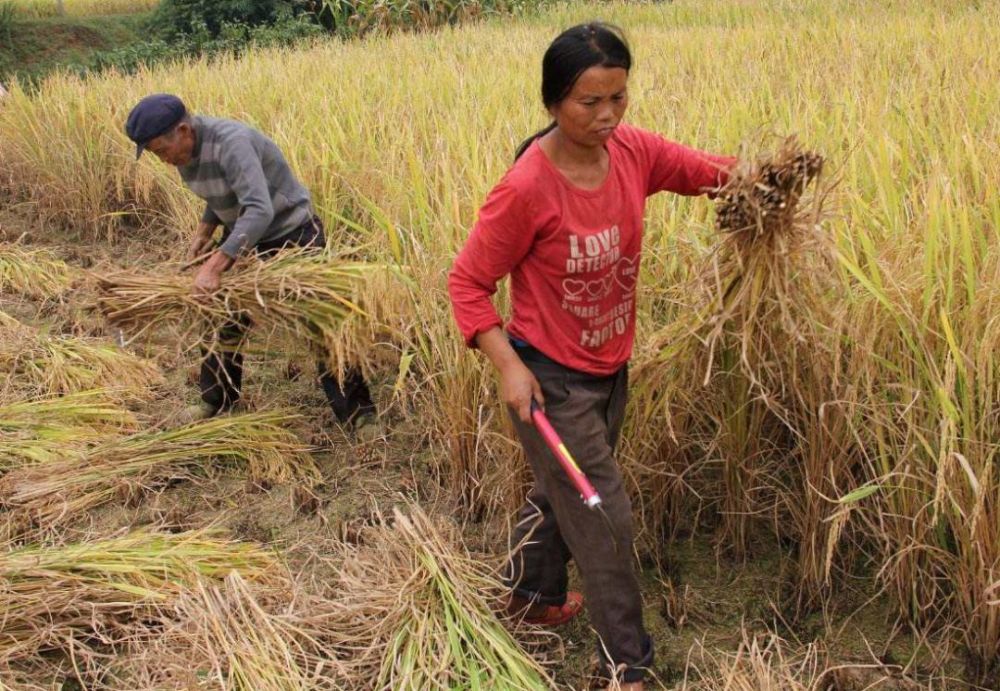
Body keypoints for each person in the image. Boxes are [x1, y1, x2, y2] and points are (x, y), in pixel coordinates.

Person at [448, 23, 736, 689]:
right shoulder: (526, 188)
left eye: (618, 98)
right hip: (550, 381)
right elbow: (466, 283)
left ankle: (529, 596)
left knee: (562, 493)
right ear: (552, 101)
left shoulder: (630, 150)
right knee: (602, 514)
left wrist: (754, 180)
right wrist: (507, 364)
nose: (606, 116)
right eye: (588, 102)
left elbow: (697, 170)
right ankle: (628, 663)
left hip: (610, 364)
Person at [124, 93, 377, 435]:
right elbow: (223, 194)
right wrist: (205, 231)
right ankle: (217, 398)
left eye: (160, 150)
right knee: (220, 315)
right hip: (246, 235)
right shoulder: (186, 154)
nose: (162, 159)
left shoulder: (233, 143)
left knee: (320, 321)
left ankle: (358, 413)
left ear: (183, 130)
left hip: (291, 234)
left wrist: (214, 266)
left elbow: (259, 208)